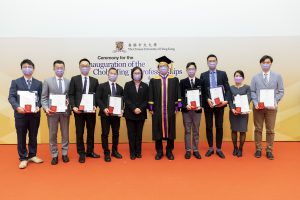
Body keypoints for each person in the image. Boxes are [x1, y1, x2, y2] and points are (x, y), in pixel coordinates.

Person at [8, 59, 44, 169]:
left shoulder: (38, 83)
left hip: (34, 115)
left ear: (33, 69)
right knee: (21, 136)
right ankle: (23, 158)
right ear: (21, 68)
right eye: (25, 66)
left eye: (29, 67)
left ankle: (32, 155)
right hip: (21, 115)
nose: (27, 68)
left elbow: (42, 98)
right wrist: (17, 107)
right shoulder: (16, 82)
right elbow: (11, 97)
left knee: (33, 135)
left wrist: (38, 106)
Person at [250, 55, 284, 160]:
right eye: (264, 62)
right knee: (258, 129)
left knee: (270, 130)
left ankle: (269, 150)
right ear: (260, 64)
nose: (266, 64)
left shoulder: (277, 76)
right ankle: (258, 149)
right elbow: (252, 91)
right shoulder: (255, 77)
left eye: (268, 62)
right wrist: (255, 102)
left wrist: (274, 101)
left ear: (271, 63)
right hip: (258, 108)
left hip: (271, 108)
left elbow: (281, 91)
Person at [148, 56, 181, 160]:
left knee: (171, 130)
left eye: (165, 66)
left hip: (170, 109)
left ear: (168, 67)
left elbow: (178, 93)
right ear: (158, 68)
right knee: (157, 130)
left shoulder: (174, 79)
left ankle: (169, 151)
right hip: (158, 110)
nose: (163, 68)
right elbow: (151, 95)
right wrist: (151, 108)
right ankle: (159, 151)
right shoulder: (153, 80)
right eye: (161, 66)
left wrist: (177, 107)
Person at [200, 54, 231, 159]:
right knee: (209, 127)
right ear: (207, 63)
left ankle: (218, 148)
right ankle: (210, 148)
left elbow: (227, 89)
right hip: (209, 105)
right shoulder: (203, 75)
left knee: (219, 126)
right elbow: (202, 92)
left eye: (213, 61)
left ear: (216, 62)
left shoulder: (222, 74)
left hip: (220, 105)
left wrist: (225, 101)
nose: (212, 62)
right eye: (210, 61)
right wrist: (207, 99)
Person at [68, 58, 100, 163]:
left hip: (91, 111)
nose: (84, 67)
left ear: (90, 67)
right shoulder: (74, 79)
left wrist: (95, 105)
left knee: (91, 132)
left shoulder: (95, 81)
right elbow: (71, 94)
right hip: (79, 111)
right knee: (79, 132)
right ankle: (81, 153)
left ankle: (90, 151)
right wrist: (73, 107)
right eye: (82, 66)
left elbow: (97, 96)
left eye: (86, 66)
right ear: (79, 67)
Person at [41, 60, 71, 165]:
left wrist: (69, 101)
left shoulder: (68, 81)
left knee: (65, 134)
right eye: (57, 68)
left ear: (64, 69)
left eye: (61, 68)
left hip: (64, 112)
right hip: (52, 113)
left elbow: (69, 97)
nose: (59, 70)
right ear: (53, 69)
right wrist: (46, 108)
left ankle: (64, 153)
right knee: (52, 134)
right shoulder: (48, 81)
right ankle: (54, 155)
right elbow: (43, 97)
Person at [96, 67, 124, 162]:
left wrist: (122, 110)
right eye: (111, 73)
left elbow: (122, 101)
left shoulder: (120, 88)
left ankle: (114, 151)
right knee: (105, 133)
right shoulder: (101, 86)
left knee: (116, 133)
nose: (113, 75)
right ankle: (106, 152)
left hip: (116, 116)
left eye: (114, 73)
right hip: (105, 115)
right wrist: (104, 108)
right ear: (108, 74)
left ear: (117, 75)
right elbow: (98, 99)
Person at [123, 67, 149, 160]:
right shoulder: (127, 84)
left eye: (138, 73)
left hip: (141, 113)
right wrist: (134, 108)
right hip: (130, 113)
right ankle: (132, 152)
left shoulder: (145, 86)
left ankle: (138, 152)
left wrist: (140, 108)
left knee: (139, 134)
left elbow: (147, 99)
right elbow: (125, 98)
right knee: (131, 134)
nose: (137, 74)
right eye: (135, 73)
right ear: (132, 74)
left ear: (141, 74)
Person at [179, 62, 202, 159]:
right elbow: (180, 96)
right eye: (189, 69)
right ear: (187, 70)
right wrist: (185, 105)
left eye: (193, 69)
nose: (191, 71)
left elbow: (203, 95)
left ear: (195, 70)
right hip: (186, 111)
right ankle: (188, 150)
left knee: (196, 131)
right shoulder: (182, 82)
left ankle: (195, 150)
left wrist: (200, 105)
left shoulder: (200, 81)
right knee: (187, 130)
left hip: (197, 110)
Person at [228, 70, 251, 157]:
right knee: (234, 130)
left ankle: (241, 148)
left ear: (243, 78)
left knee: (242, 131)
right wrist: (232, 108)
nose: (238, 77)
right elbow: (229, 99)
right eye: (236, 76)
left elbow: (249, 99)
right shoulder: (231, 88)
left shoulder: (247, 87)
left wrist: (243, 108)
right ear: (234, 78)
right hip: (234, 112)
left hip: (244, 113)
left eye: (239, 76)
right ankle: (235, 148)